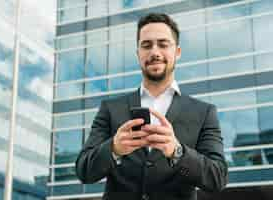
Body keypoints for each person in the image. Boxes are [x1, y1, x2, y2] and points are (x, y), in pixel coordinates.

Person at [76, 13, 228, 200]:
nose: (155, 52)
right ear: (138, 53)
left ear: (177, 52)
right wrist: (114, 148)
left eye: (163, 44)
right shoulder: (110, 108)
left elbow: (218, 177)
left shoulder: (204, 112)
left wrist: (177, 152)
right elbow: (83, 170)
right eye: (146, 45)